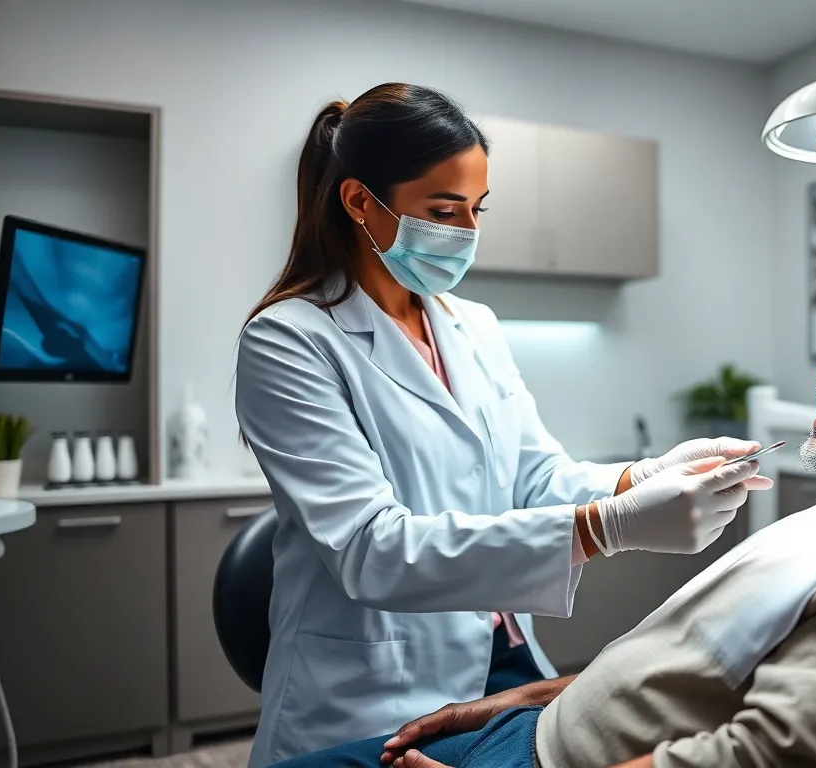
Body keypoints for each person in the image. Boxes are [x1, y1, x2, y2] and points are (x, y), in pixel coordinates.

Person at [234, 82, 772, 767]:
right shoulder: (289, 339)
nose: (465, 232)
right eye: (443, 209)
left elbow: (536, 475)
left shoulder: (473, 326)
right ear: (360, 201)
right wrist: (606, 527)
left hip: (500, 658)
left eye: (476, 209)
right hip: (374, 688)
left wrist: (647, 474)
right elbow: (371, 549)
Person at [271, 290, 816, 768]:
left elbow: (765, 757)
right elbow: (700, 671)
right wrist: (524, 700)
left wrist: (620, 503)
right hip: (529, 726)